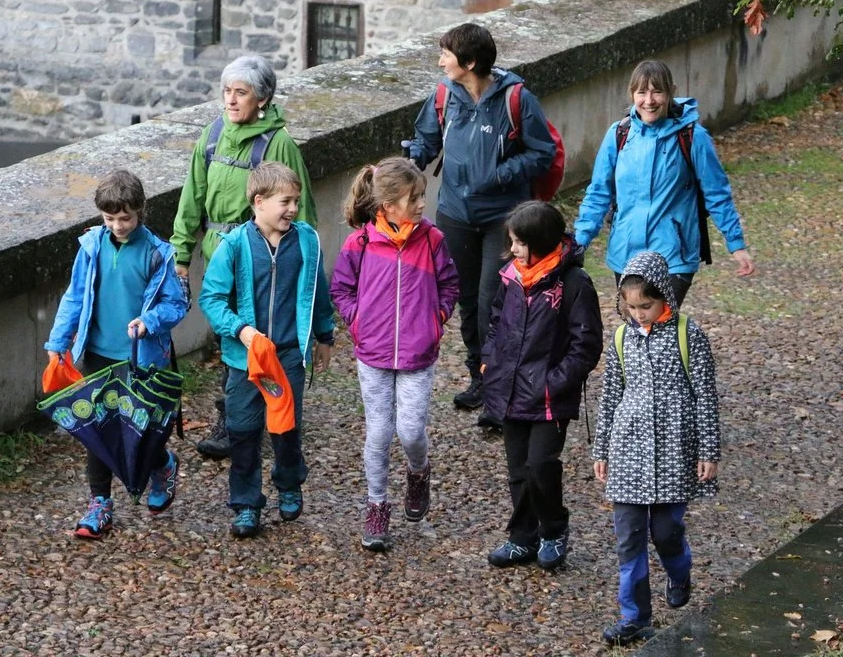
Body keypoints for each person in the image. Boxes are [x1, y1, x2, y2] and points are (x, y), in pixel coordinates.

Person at [407, 23, 556, 429]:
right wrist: (410, 161)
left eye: (446, 54)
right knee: (467, 301)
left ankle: (498, 390)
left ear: (470, 62)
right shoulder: (444, 95)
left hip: (503, 218)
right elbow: (426, 141)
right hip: (455, 214)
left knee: (495, 301)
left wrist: (500, 173)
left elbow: (542, 153)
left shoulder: (516, 98)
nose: (440, 62)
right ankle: (480, 375)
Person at [172, 54, 318, 460]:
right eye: (227, 91)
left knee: (264, 332)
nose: (231, 100)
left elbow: (300, 209)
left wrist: (301, 262)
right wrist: (181, 254)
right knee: (231, 335)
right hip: (220, 256)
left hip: (262, 257)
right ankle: (237, 414)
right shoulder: (214, 135)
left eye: (241, 92)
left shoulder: (278, 143)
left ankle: (270, 409)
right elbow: (192, 196)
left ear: (263, 99)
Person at [45, 169, 189, 539]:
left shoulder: (157, 253)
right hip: (97, 353)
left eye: (125, 218)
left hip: (140, 359)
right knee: (99, 429)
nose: (118, 226)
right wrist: (58, 342)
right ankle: (100, 503)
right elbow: (75, 296)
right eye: (109, 219)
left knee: (139, 431)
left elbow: (176, 304)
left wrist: (149, 321)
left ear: (140, 210)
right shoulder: (91, 246)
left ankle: (162, 464)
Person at [329, 157, 460, 552]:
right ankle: (377, 505)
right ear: (387, 206)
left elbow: (450, 285)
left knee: (411, 431)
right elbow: (341, 289)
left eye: (422, 196)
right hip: (373, 354)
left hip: (418, 355)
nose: (421, 204)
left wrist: (435, 319)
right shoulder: (360, 243)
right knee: (379, 433)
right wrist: (359, 322)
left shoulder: (432, 240)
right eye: (413, 198)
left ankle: (419, 471)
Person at [198, 162, 334, 538]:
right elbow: (211, 298)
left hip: (288, 355)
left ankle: (288, 482)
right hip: (244, 359)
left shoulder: (306, 242)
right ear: (259, 202)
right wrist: (240, 330)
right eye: (285, 201)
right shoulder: (234, 246)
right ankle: (246, 503)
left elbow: (318, 292)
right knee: (242, 430)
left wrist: (325, 336)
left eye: (296, 201)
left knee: (286, 428)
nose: (293, 209)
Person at [592, 251, 721, 647]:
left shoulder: (688, 334)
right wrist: (601, 449)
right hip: (628, 449)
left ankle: (679, 573)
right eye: (631, 307)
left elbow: (705, 395)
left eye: (645, 306)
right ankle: (634, 617)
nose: (638, 314)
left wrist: (708, 451)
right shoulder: (621, 337)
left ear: (665, 296)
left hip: (673, 450)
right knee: (629, 537)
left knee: (667, 532)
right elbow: (610, 395)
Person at [480, 201, 603, 570]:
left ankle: (553, 529)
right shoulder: (511, 276)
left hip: (550, 397)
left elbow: (586, 344)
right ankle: (522, 537)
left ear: (541, 241)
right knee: (518, 470)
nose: (513, 249)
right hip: (510, 389)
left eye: (520, 243)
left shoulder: (575, 283)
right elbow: (495, 321)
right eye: (512, 242)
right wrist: (490, 361)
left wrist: (553, 383)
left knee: (540, 466)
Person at [573, 59, 755, 306]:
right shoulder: (618, 134)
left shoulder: (693, 136)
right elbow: (598, 193)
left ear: (671, 92)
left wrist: (736, 244)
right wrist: (579, 242)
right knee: (637, 324)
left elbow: (717, 194)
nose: (649, 101)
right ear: (632, 94)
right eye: (641, 92)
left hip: (674, 255)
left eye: (657, 91)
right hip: (625, 251)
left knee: (659, 323)